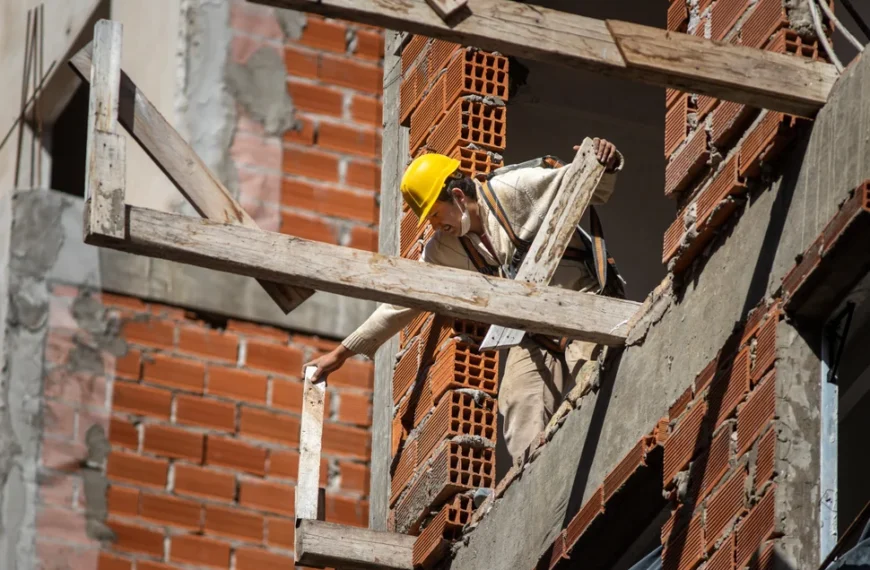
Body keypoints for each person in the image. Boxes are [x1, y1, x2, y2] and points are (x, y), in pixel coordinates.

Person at [304, 139, 624, 463]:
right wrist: (341, 354)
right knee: (517, 403)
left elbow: (588, 185)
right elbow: (401, 302)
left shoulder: (514, 189)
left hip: (584, 307)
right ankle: (538, 485)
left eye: (435, 214)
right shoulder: (444, 248)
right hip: (536, 336)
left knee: (590, 381)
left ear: (457, 196)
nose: (434, 226)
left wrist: (605, 161)